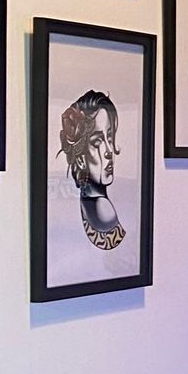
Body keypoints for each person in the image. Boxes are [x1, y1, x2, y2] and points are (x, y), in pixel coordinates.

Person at [56, 89, 124, 252]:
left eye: (109, 138)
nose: (109, 151)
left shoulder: (88, 201)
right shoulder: (103, 210)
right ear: (80, 159)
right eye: (97, 142)